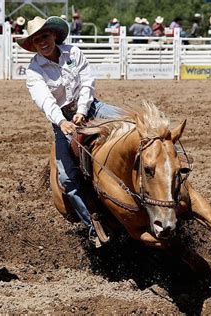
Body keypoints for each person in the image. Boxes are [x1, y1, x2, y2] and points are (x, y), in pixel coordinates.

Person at [18, 16, 123, 248]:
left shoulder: (74, 52)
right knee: (68, 179)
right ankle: (93, 226)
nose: (42, 43)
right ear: (33, 45)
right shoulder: (34, 70)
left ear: (53, 35)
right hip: (62, 118)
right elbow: (45, 101)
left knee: (129, 122)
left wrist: (83, 110)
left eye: (45, 36)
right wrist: (62, 121)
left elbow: (87, 82)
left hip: (92, 106)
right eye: (37, 40)